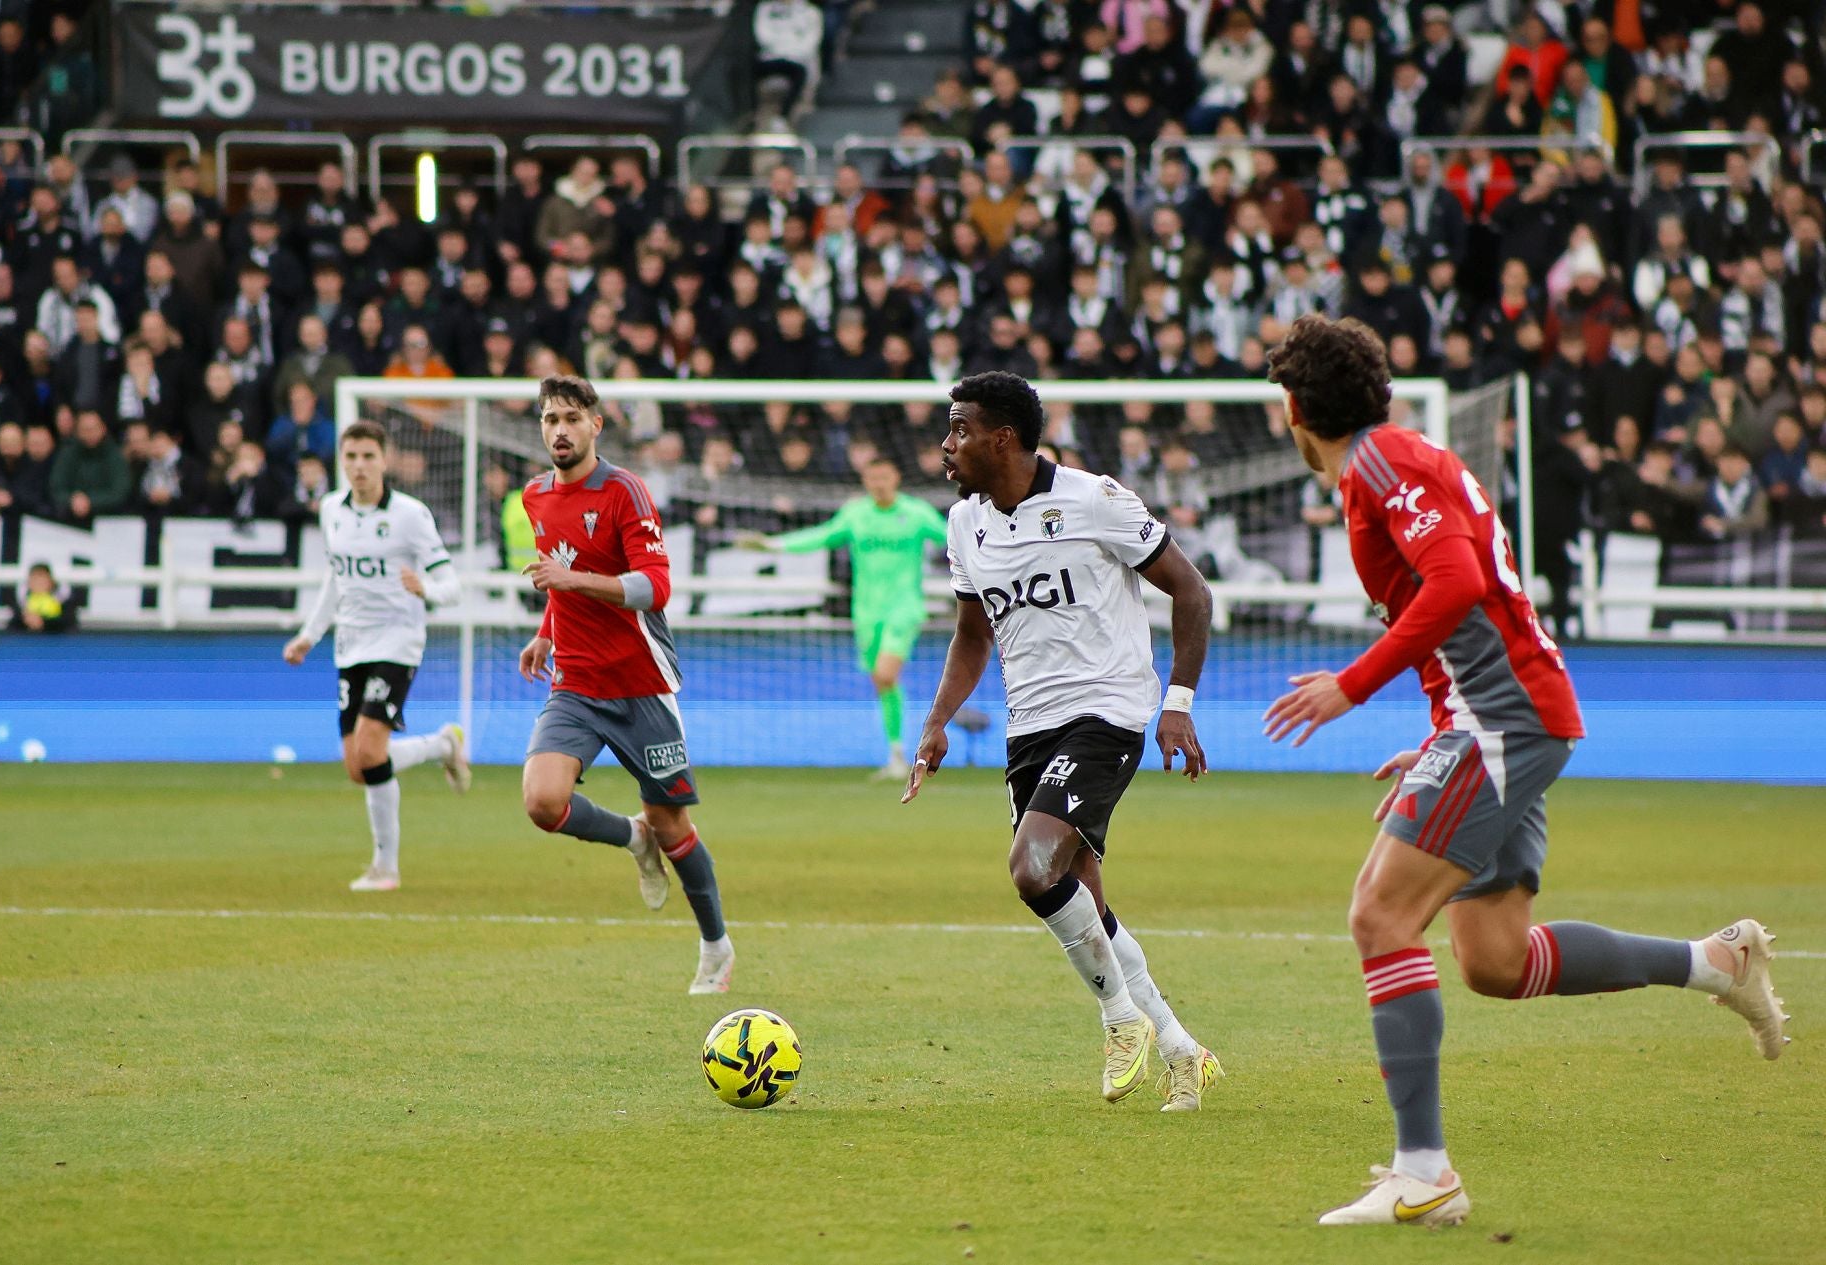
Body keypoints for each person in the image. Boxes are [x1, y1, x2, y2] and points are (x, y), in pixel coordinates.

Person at [1259, 315, 1787, 1228]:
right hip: (1495, 716)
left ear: (1298, 410)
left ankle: (1424, 1173)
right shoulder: (1399, 461)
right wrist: (1437, 738)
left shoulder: (1381, 464)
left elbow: (1457, 584)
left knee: (1381, 916)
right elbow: (1468, 610)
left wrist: (1353, 685)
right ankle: (1715, 963)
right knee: (1496, 960)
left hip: (1501, 719)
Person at [903, 371, 1224, 1111]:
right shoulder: (964, 525)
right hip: (1030, 726)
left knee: (1031, 868)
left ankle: (1119, 1018)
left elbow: (1192, 589)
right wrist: (937, 720)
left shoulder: (1094, 500)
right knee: (1084, 900)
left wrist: (1177, 703)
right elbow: (972, 633)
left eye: (959, 430)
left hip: (1107, 711)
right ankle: (1183, 1051)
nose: (946, 446)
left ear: (1002, 439)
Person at [517, 375, 735, 995]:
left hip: (640, 683)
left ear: (596, 425)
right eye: (550, 419)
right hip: (576, 683)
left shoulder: (624, 491)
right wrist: (547, 631)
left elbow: (655, 587)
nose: (560, 430)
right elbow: (561, 575)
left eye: (571, 418)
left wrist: (573, 582)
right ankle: (632, 837)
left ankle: (716, 947)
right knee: (542, 802)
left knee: (673, 825)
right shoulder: (536, 496)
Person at [283, 421, 471, 893]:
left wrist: (426, 589)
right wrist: (309, 635)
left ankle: (385, 868)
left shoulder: (410, 515)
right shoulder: (332, 510)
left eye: (368, 456)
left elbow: (452, 584)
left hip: (397, 641)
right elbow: (335, 578)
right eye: (351, 457)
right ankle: (443, 746)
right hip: (351, 644)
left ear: (385, 460)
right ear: (341, 461)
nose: (359, 466)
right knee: (357, 767)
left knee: (370, 751)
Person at [744, 458, 947, 779]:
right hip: (866, 611)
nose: (879, 483)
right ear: (865, 481)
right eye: (873, 478)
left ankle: (912, 747)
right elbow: (821, 536)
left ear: (896, 478)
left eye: (884, 476)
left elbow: (951, 537)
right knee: (882, 682)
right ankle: (896, 754)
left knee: (885, 674)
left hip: (904, 608)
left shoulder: (915, 512)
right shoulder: (856, 514)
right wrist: (774, 545)